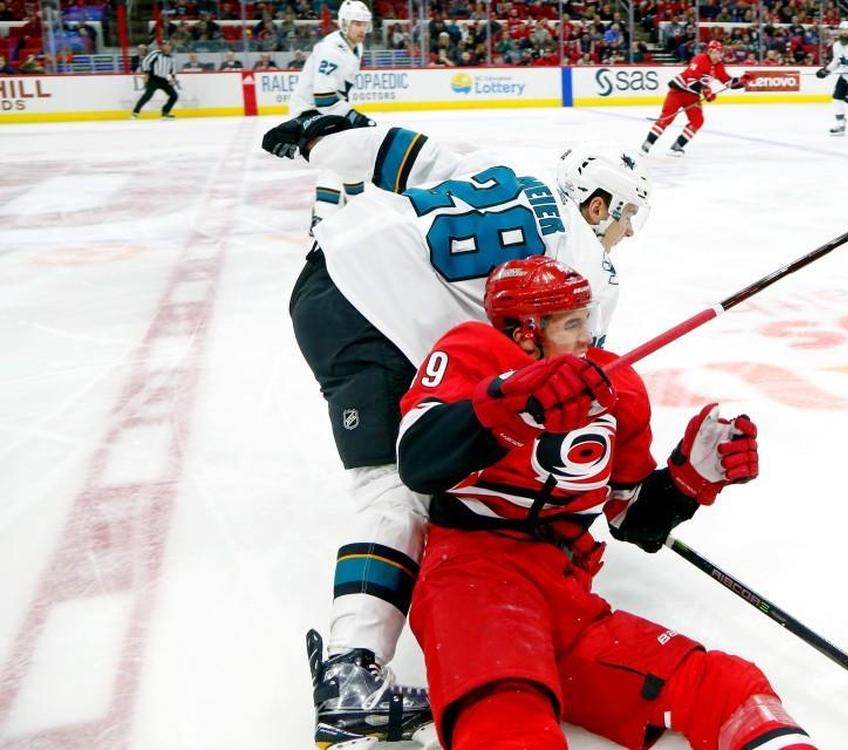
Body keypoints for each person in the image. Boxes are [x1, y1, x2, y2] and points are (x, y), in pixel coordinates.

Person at [261, 116, 653, 748]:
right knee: (397, 489)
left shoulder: (500, 168)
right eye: (627, 214)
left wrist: (318, 138)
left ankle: (355, 663)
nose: (629, 230)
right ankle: (351, 676)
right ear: (598, 201)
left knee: (414, 458)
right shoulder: (585, 270)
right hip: (380, 314)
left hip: (325, 275)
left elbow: (387, 150)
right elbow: (571, 388)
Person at [395, 256, 818, 750]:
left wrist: (689, 480)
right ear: (526, 331)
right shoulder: (472, 351)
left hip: (568, 594)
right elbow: (418, 458)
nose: (586, 338)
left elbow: (631, 521)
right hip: (475, 578)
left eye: (587, 320)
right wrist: (515, 404)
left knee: (729, 686)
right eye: (572, 324)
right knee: (508, 720)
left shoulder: (613, 384)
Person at [290, 0, 376, 233]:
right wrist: (356, 118)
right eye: (357, 23)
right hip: (308, 113)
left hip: (327, 112)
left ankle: (344, 211)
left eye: (365, 24)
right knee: (339, 156)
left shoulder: (355, 47)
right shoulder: (331, 50)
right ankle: (326, 216)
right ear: (345, 23)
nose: (362, 29)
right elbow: (324, 98)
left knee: (347, 157)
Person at [639, 39, 745, 157]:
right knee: (666, 118)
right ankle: (647, 144)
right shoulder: (699, 59)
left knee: (697, 121)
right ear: (708, 52)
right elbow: (691, 80)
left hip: (693, 95)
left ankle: (677, 146)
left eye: (719, 52)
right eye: (714, 52)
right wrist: (706, 91)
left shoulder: (719, 65)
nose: (717, 55)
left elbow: (727, 81)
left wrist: (742, 81)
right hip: (678, 92)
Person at [132, 41, 179, 120]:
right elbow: (145, 62)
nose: (167, 47)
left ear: (171, 47)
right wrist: (146, 73)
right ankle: (135, 112)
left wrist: (173, 78)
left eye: (168, 45)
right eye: (165, 45)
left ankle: (165, 113)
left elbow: (173, 69)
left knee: (174, 96)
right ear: (162, 47)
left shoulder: (171, 58)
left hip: (164, 79)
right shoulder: (156, 53)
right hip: (153, 78)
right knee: (147, 95)